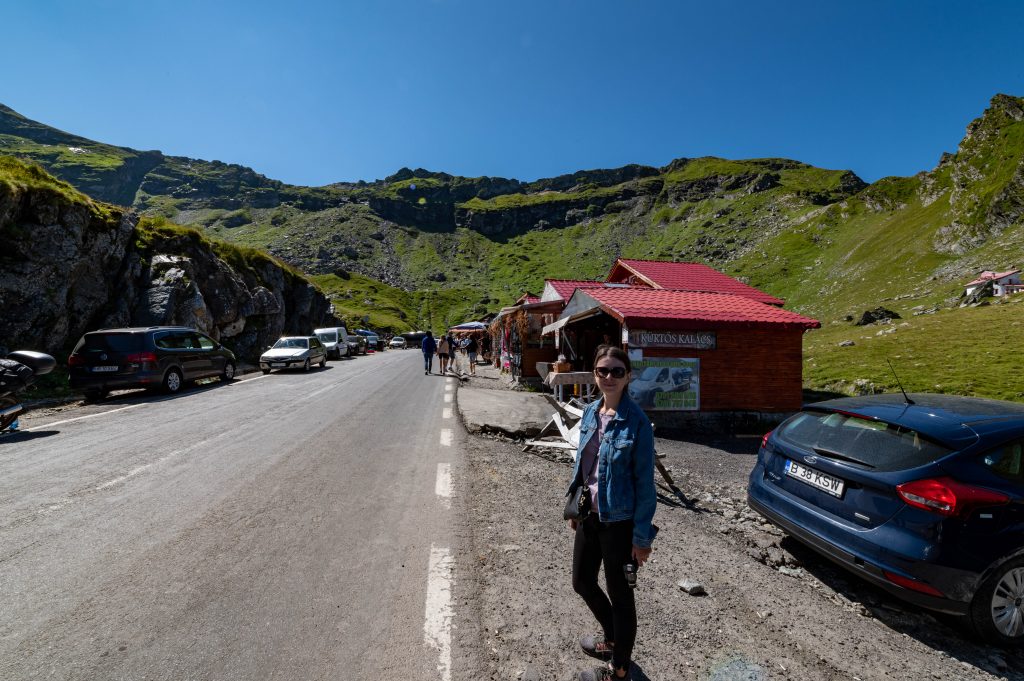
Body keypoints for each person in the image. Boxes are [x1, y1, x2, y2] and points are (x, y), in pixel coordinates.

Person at [567, 345, 656, 681]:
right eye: (602, 370)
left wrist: (642, 539)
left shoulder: (638, 424)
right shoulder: (590, 412)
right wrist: (575, 505)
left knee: (621, 597)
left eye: (617, 371)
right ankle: (613, 638)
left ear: (628, 376)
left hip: (619, 523)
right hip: (589, 515)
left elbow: (645, 486)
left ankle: (618, 669)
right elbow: (583, 465)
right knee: (582, 581)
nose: (608, 377)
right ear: (595, 374)